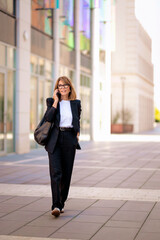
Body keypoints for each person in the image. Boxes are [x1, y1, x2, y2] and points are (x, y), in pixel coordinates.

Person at [44, 76, 81, 217]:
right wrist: (55, 102)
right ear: (57, 88)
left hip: (69, 139)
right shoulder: (52, 101)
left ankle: (61, 202)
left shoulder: (76, 103)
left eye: (65, 85)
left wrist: (77, 133)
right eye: (60, 86)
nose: (63, 87)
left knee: (66, 173)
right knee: (56, 172)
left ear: (70, 87)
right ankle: (56, 205)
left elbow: (77, 119)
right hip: (54, 139)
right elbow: (48, 118)